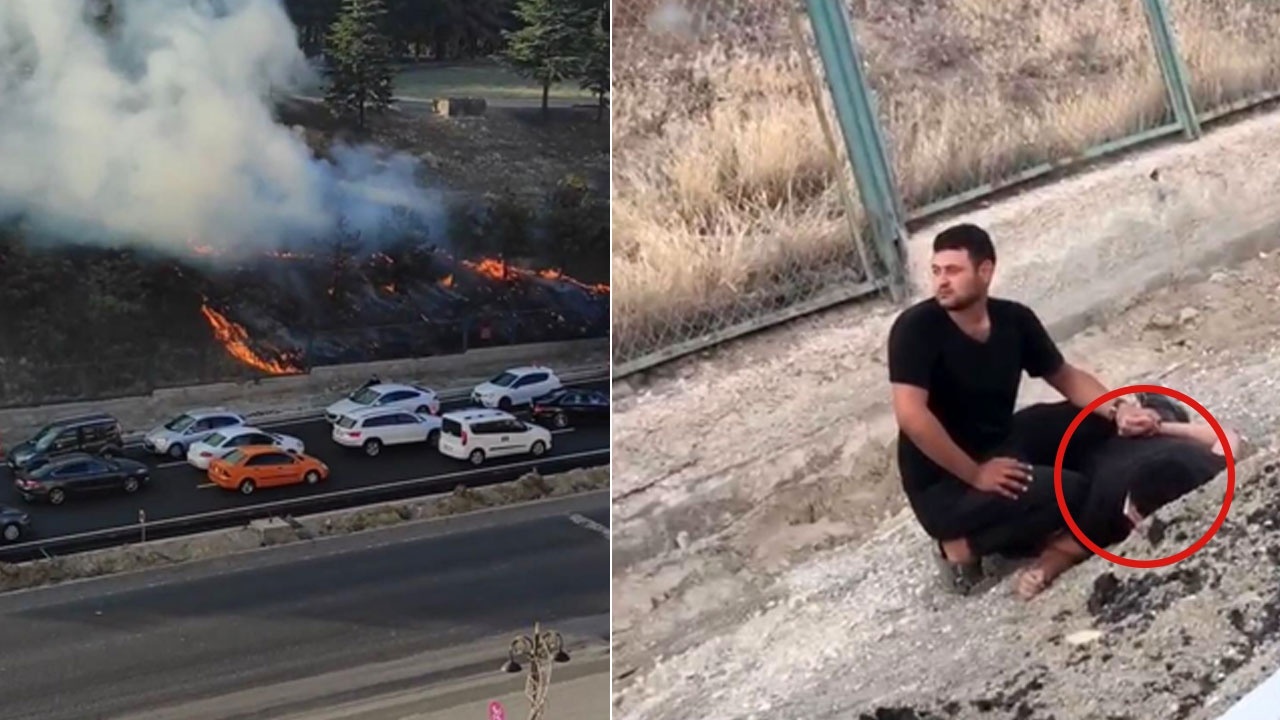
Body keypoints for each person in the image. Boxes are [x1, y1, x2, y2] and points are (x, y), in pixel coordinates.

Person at [887, 223, 1157, 594]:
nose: (941, 282)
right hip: (945, 484)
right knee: (1071, 492)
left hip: (1000, 443)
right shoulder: (916, 328)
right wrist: (976, 474)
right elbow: (911, 417)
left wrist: (1119, 409)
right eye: (936, 271)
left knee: (1091, 421)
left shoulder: (1014, 319)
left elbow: (1064, 375)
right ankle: (962, 547)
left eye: (953, 271)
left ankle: (1042, 507)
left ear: (985, 271)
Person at [1009, 395, 1240, 599]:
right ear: (1134, 514)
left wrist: (1042, 572)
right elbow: (1064, 549)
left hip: (1095, 435)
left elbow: (1227, 436)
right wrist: (1156, 428)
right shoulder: (1108, 502)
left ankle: (1154, 409)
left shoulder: (1202, 467)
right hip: (1066, 439)